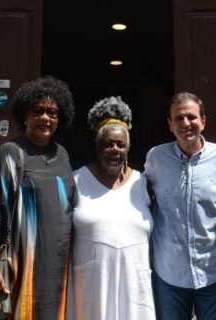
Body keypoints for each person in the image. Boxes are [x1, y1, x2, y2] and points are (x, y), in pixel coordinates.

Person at [0, 76, 76, 319]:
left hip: (58, 269)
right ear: (25, 115)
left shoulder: (61, 154)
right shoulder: (9, 154)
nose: (46, 118)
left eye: (52, 113)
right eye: (38, 111)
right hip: (21, 268)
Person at [143, 92, 216, 320]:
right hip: (169, 272)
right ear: (170, 124)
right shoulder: (156, 158)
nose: (186, 123)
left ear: (203, 121)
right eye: (178, 118)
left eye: (192, 117)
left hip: (214, 271)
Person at [67, 96, 155, 320]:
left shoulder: (142, 183)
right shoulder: (76, 181)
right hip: (90, 287)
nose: (114, 149)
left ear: (128, 148)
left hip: (135, 288)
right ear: (97, 146)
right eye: (108, 143)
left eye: (120, 144)